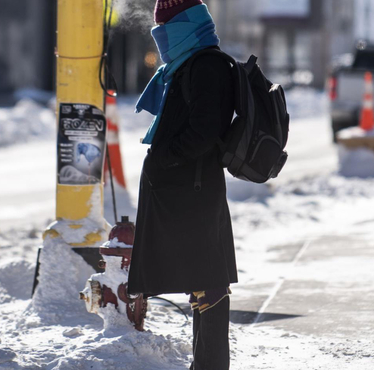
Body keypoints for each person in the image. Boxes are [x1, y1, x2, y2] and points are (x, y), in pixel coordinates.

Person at [127, 1, 237, 369]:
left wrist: (166, 156)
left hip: (194, 191)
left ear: (182, 26)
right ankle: (203, 363)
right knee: (200, 281)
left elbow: (205, 130)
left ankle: (211, 364)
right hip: (185, 191)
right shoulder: (190, 63)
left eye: (165, 28)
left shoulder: (207, 65)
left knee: (209, 282)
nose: (161, 38)